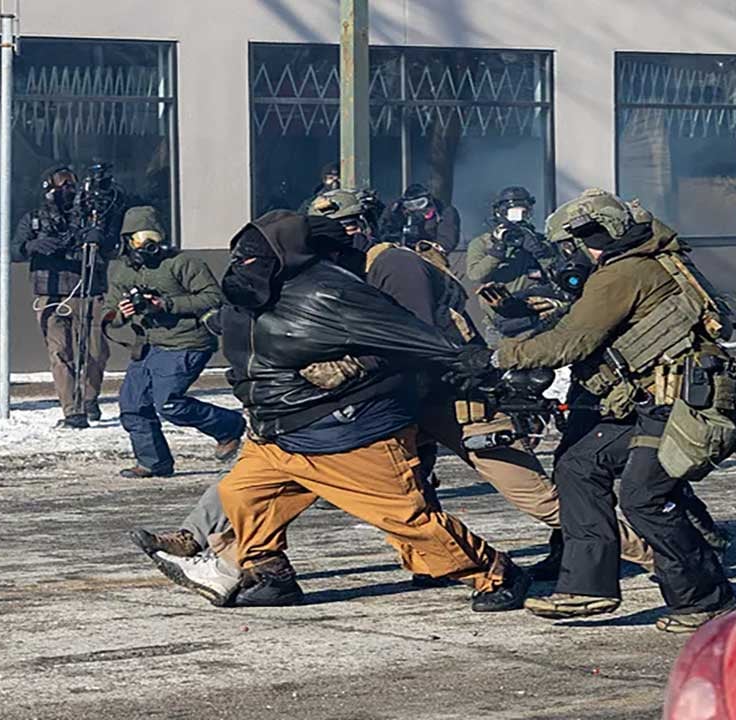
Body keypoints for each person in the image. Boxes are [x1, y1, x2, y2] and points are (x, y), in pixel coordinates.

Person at [131, 189, 654, 596]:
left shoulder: (385, 266)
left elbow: (419, 337)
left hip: (437, 397)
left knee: (524, 496)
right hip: (351, 410)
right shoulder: (301, 282)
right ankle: (243, 563)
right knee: (259, 482)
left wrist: (355, 363)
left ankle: (656, 552)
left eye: (344, 226)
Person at [174, 209, 532, 611]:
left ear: (286, 254)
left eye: (254, 256)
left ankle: (496, 573)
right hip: (278, 430)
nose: (243, 265)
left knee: (406, 520)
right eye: (240, 256)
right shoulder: (247, 295)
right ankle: (271, 577)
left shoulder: (330, 291)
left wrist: (475, 364)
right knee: (244, 496)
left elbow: (408, 336)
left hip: (347, 431)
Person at [493, 188, 736, 632]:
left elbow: (574, 341)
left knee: (645, 498)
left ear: (600, 235)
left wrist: (501, 354)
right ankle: (587, 589)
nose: (573, 253)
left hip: (678, 404)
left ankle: (708, 601)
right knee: (577, 465)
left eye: (576, 242)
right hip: (656, 401)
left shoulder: (622, 273)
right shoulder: (643, 261)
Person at [102, 206, 246, 478]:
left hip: (186, 342)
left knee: (169, 403)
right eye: (140, 238)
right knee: (132, 406)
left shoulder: (183, 264)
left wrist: (166, 304)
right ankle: (153, 462)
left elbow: (214, 298)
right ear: (127, 240)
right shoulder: (122, 272)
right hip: (149, 345)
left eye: (153, 237)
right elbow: (110, 312)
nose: (147, 245)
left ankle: (229, 426)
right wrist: (121, 312)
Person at [13, 165, 121, 429]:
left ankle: (89, 398)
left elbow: (114, 248)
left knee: (96, 351)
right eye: (62, 183)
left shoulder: (91, 217)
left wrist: (100, 239)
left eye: (72, 183)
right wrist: (32, 246)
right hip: (50, 294)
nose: (68, 189)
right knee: (60, 353)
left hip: (88, 290)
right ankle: (72, 411)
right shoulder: (34, 219)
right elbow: (14, 250)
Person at [466, 186, 579, 340]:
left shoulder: (540, 242)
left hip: (536, 318)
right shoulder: (482, 243)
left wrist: (539, 252)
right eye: (511, 212)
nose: (518, 218)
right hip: (499, 323)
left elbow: (560, 276)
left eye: (523, 212)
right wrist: (497, 252)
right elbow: (475, 275)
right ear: (499, 212)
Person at [379, 183, 462, 262]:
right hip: (399, 252)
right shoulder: (396, 211)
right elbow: (384, 230)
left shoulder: (443, 212)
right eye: (410, 205)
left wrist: (427, 248)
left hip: (431, 254)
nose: (416, 208)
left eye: (420, 203)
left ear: (429, 200)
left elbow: (447, 241)